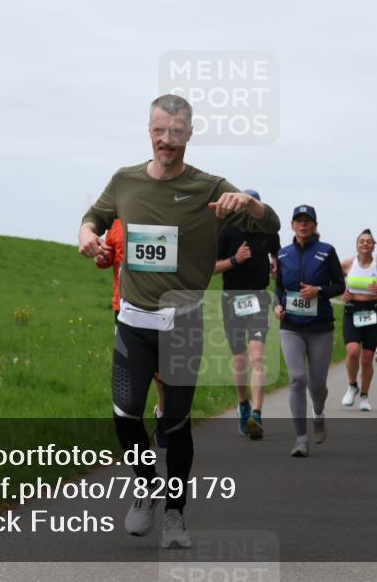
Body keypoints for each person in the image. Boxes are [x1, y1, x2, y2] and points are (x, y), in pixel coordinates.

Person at [79, 94, 280, 549]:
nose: (165, 140)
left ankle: (174, 513)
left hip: (183, 324)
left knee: (175, 423)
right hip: (133, 319)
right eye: (158, 130)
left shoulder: (210, 187)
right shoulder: (125, 180)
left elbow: (271, 225)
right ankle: (146, 483)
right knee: (125, 416)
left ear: (189, 133)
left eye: (175, 131)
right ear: (148, 130)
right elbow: (95, 215)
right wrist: (87, 235)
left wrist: (247, 203)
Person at [273, 205, 345, 457]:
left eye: (308, 221)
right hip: (291, 327)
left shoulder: (326, 252)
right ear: (292, 225)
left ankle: (319, 413)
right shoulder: (283, 255)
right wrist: (278, 306)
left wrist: (319, 291)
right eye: (299, 221)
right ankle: (300, 439)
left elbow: (339, 285)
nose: (303, 225)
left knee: (316, 385)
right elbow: (279, 288)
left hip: (320, 327)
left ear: (314, 225)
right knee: (296, 379)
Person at [95, 219, 168, 448]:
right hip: (124, 308)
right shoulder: (117, 222)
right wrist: (101, 257)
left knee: (162, 372)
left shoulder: (163, 218)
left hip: (162, 307)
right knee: (135, 373)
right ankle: (134, 430)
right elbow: (109, 258)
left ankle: (163, 415)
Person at [214, 189, 280, 440]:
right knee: (240, 360)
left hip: (258, 298)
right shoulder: (227, 232)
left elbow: (276, 252)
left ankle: (257, 413)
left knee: (257, 357)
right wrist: (234, 259)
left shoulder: (268, 231)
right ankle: (243, 403)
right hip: (231, 299)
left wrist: (275, 263)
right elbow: (211, 267)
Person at [340, 230, 377, 412]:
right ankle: (352, 385)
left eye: (369, 241)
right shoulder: (348, 264)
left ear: (374, 245)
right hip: (352, 311)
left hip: (373, 313)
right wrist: (342, 292)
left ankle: (364, 396)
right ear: (356, 245)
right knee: (352, 351)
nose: (365, 244)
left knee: (366, 359)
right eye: (362, 241)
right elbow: (331, 282)